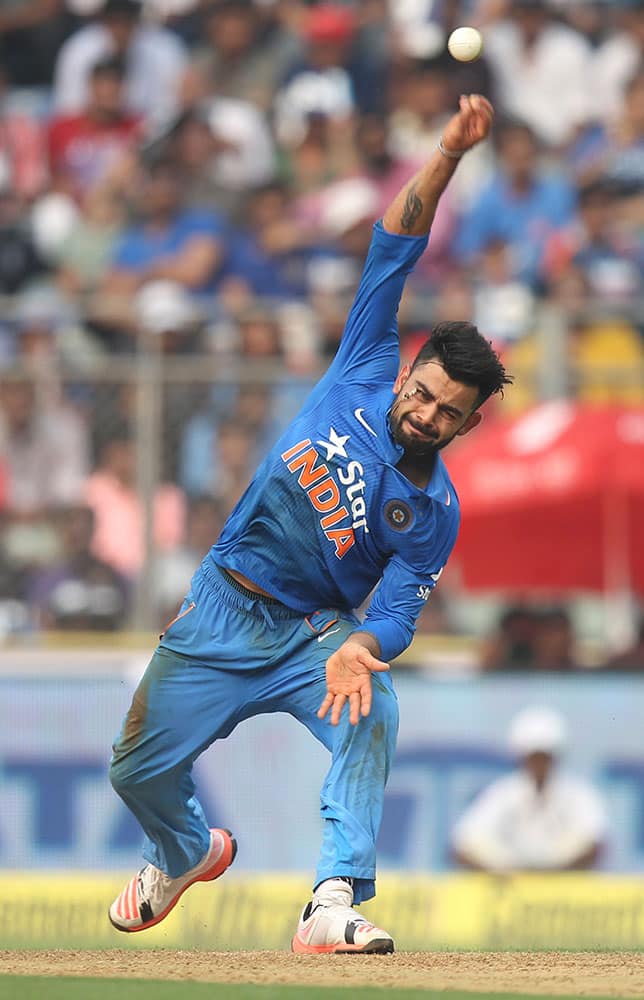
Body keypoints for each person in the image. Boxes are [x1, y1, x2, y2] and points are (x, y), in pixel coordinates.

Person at [108, 93, 508, 954]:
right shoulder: (365, 362)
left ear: (467, 427)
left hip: (311, 637)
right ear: (407, 374)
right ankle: (185, 852)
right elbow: (394, 248)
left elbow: (397, 612)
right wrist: (444, 155)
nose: (426, 413)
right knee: (134, 768)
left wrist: (365, 647)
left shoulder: (433, 513)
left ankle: (331, 902)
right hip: (223, 601)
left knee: (374, 712)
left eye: (448, 414)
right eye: (425, 392)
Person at [451, 706, 608, 873]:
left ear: (556, 757)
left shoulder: (578, 794)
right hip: (511, 886)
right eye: (534, 757)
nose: (539, 765)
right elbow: (463, 847)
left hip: (568, 892)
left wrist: (552, 874)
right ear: (521, 757)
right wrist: (504, 872)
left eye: (545, 757)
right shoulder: (503, 794)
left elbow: (596, 844)